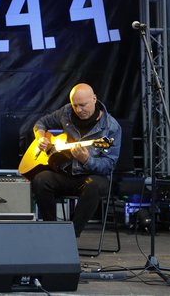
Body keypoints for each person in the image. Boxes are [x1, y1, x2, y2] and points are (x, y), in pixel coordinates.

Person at [30, 83, 121, 237]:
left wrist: (86, 159)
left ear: (94, 99)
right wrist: (40, 137)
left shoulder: (111, 127)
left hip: (92, 177)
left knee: (94, 185)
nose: (79, 110)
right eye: (75, 105)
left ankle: (70, 236)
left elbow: (109, 165)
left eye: (83, 105)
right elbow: (41, 123)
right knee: (41, 179)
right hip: (67, 174)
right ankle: (50, 233)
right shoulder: (66, 111)